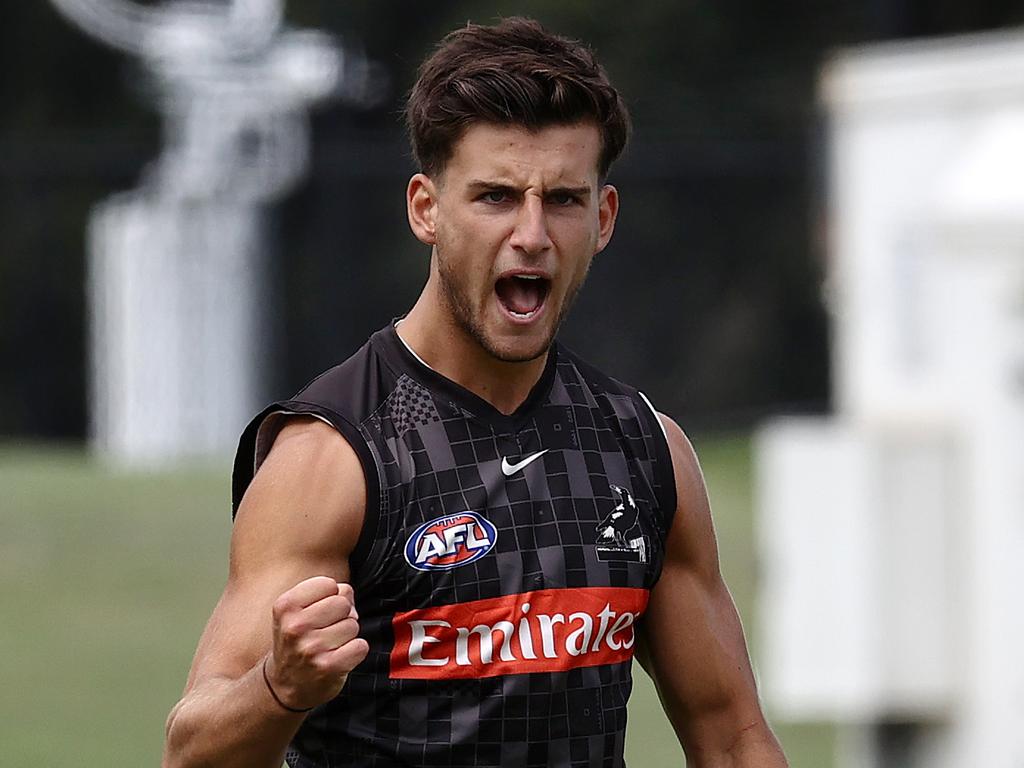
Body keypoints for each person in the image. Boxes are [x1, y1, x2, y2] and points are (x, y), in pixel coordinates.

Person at [162, 17, 788, 768]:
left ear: (604, 218)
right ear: (427, 208)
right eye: (495, 197)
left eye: (562, 199)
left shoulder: (646, 451)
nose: (531, 233)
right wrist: (280, 687)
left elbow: (733, 739)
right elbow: (189, 755)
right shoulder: (333, 458)